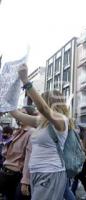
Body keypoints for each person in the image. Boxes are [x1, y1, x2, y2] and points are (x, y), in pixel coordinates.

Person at [12, 64, 74, 200]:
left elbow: (43, 108)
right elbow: (16, 114)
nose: (36, 105)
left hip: (50, 171)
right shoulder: (40, 122)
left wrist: (26, 81)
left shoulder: (62, 120)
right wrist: (8, 95)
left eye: (42, 100)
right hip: (37, 171)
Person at [0, 106, 35, 200]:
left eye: (24, 113)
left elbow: (29, 159)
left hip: (16, 176)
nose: (20, 116)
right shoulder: (17, 132)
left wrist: (25, 181)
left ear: (31, 117)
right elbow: (5, 153)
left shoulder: (31, 133)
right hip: (6, 173)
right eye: (19, 114)